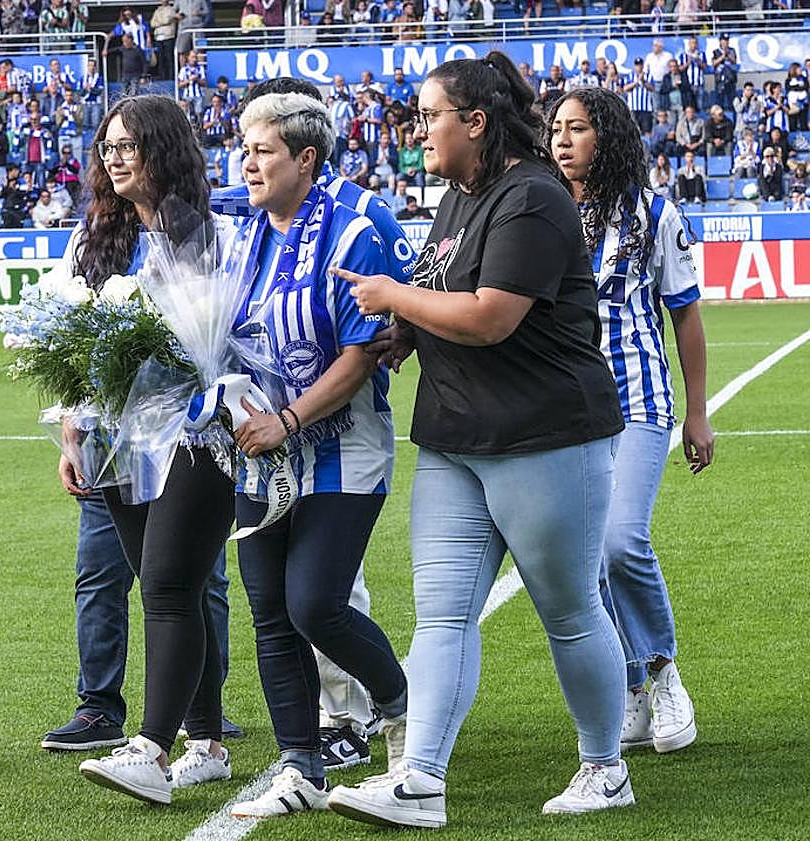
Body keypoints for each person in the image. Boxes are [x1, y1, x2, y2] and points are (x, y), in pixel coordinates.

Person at [325, 52, 629, 829]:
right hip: (458, 437)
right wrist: (405, 330)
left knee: (569, 611)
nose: (418, 129)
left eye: (431, 116)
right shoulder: (461, 194)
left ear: (477, 122)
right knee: (442, 613)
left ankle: (605, 765)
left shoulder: (530, 196)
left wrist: (396, 296)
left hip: (544, 437)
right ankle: (420, 775)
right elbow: (445, 293)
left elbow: (492, 314)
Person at [210, 76, 420, 772]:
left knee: (315, 606)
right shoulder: (241, 236)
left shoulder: (353, 228)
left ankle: (400, 705)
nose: (247, 162)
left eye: (263, 150)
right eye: (243, 149)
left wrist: (290, 418)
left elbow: (364, 352)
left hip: (339, 447)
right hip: (255, 453)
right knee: (270, 609)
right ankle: (301, 761)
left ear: (305, 159)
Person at [74, 95, 236, 804]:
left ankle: (151, 747)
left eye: (127, 145)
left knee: (169, 583)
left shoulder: (197, 232)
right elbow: (77, 346)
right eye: (106, 146)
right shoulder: (100, 238)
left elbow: (210, 333)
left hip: (195, 432)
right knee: (169, 585)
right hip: (118, 437)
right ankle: (206, 743)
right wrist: (75, 431)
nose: (113, 157)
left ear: (161, 150)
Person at [548, 85, 711, 758]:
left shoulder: (653, 213)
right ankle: (633, 692)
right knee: (583, 566)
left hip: (639, 400)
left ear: (606, 137)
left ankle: (664, 673)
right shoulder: (538, 210)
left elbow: (687, 315)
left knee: (620, 541)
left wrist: (697, 412)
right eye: (556, 127)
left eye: (578, 128)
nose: (562, 139)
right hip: (567, 413)